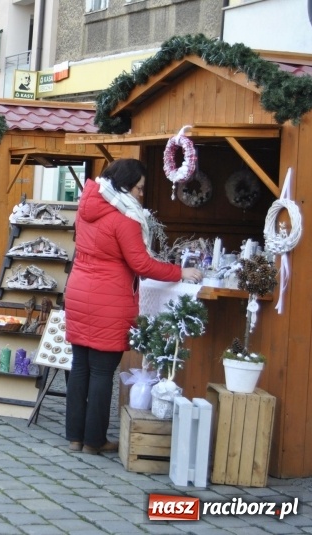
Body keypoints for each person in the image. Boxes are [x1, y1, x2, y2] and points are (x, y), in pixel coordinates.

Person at [63, 158, 203, 455]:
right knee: (102, 372)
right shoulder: (123, 218)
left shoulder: (87, 209)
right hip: (108, 300)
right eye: (139, 188)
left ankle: (75, 437)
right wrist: (181, 273)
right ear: (126, 186)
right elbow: (141, 264)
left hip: (78, 292)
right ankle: (94, 441)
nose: (141, 194)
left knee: (80, 367)